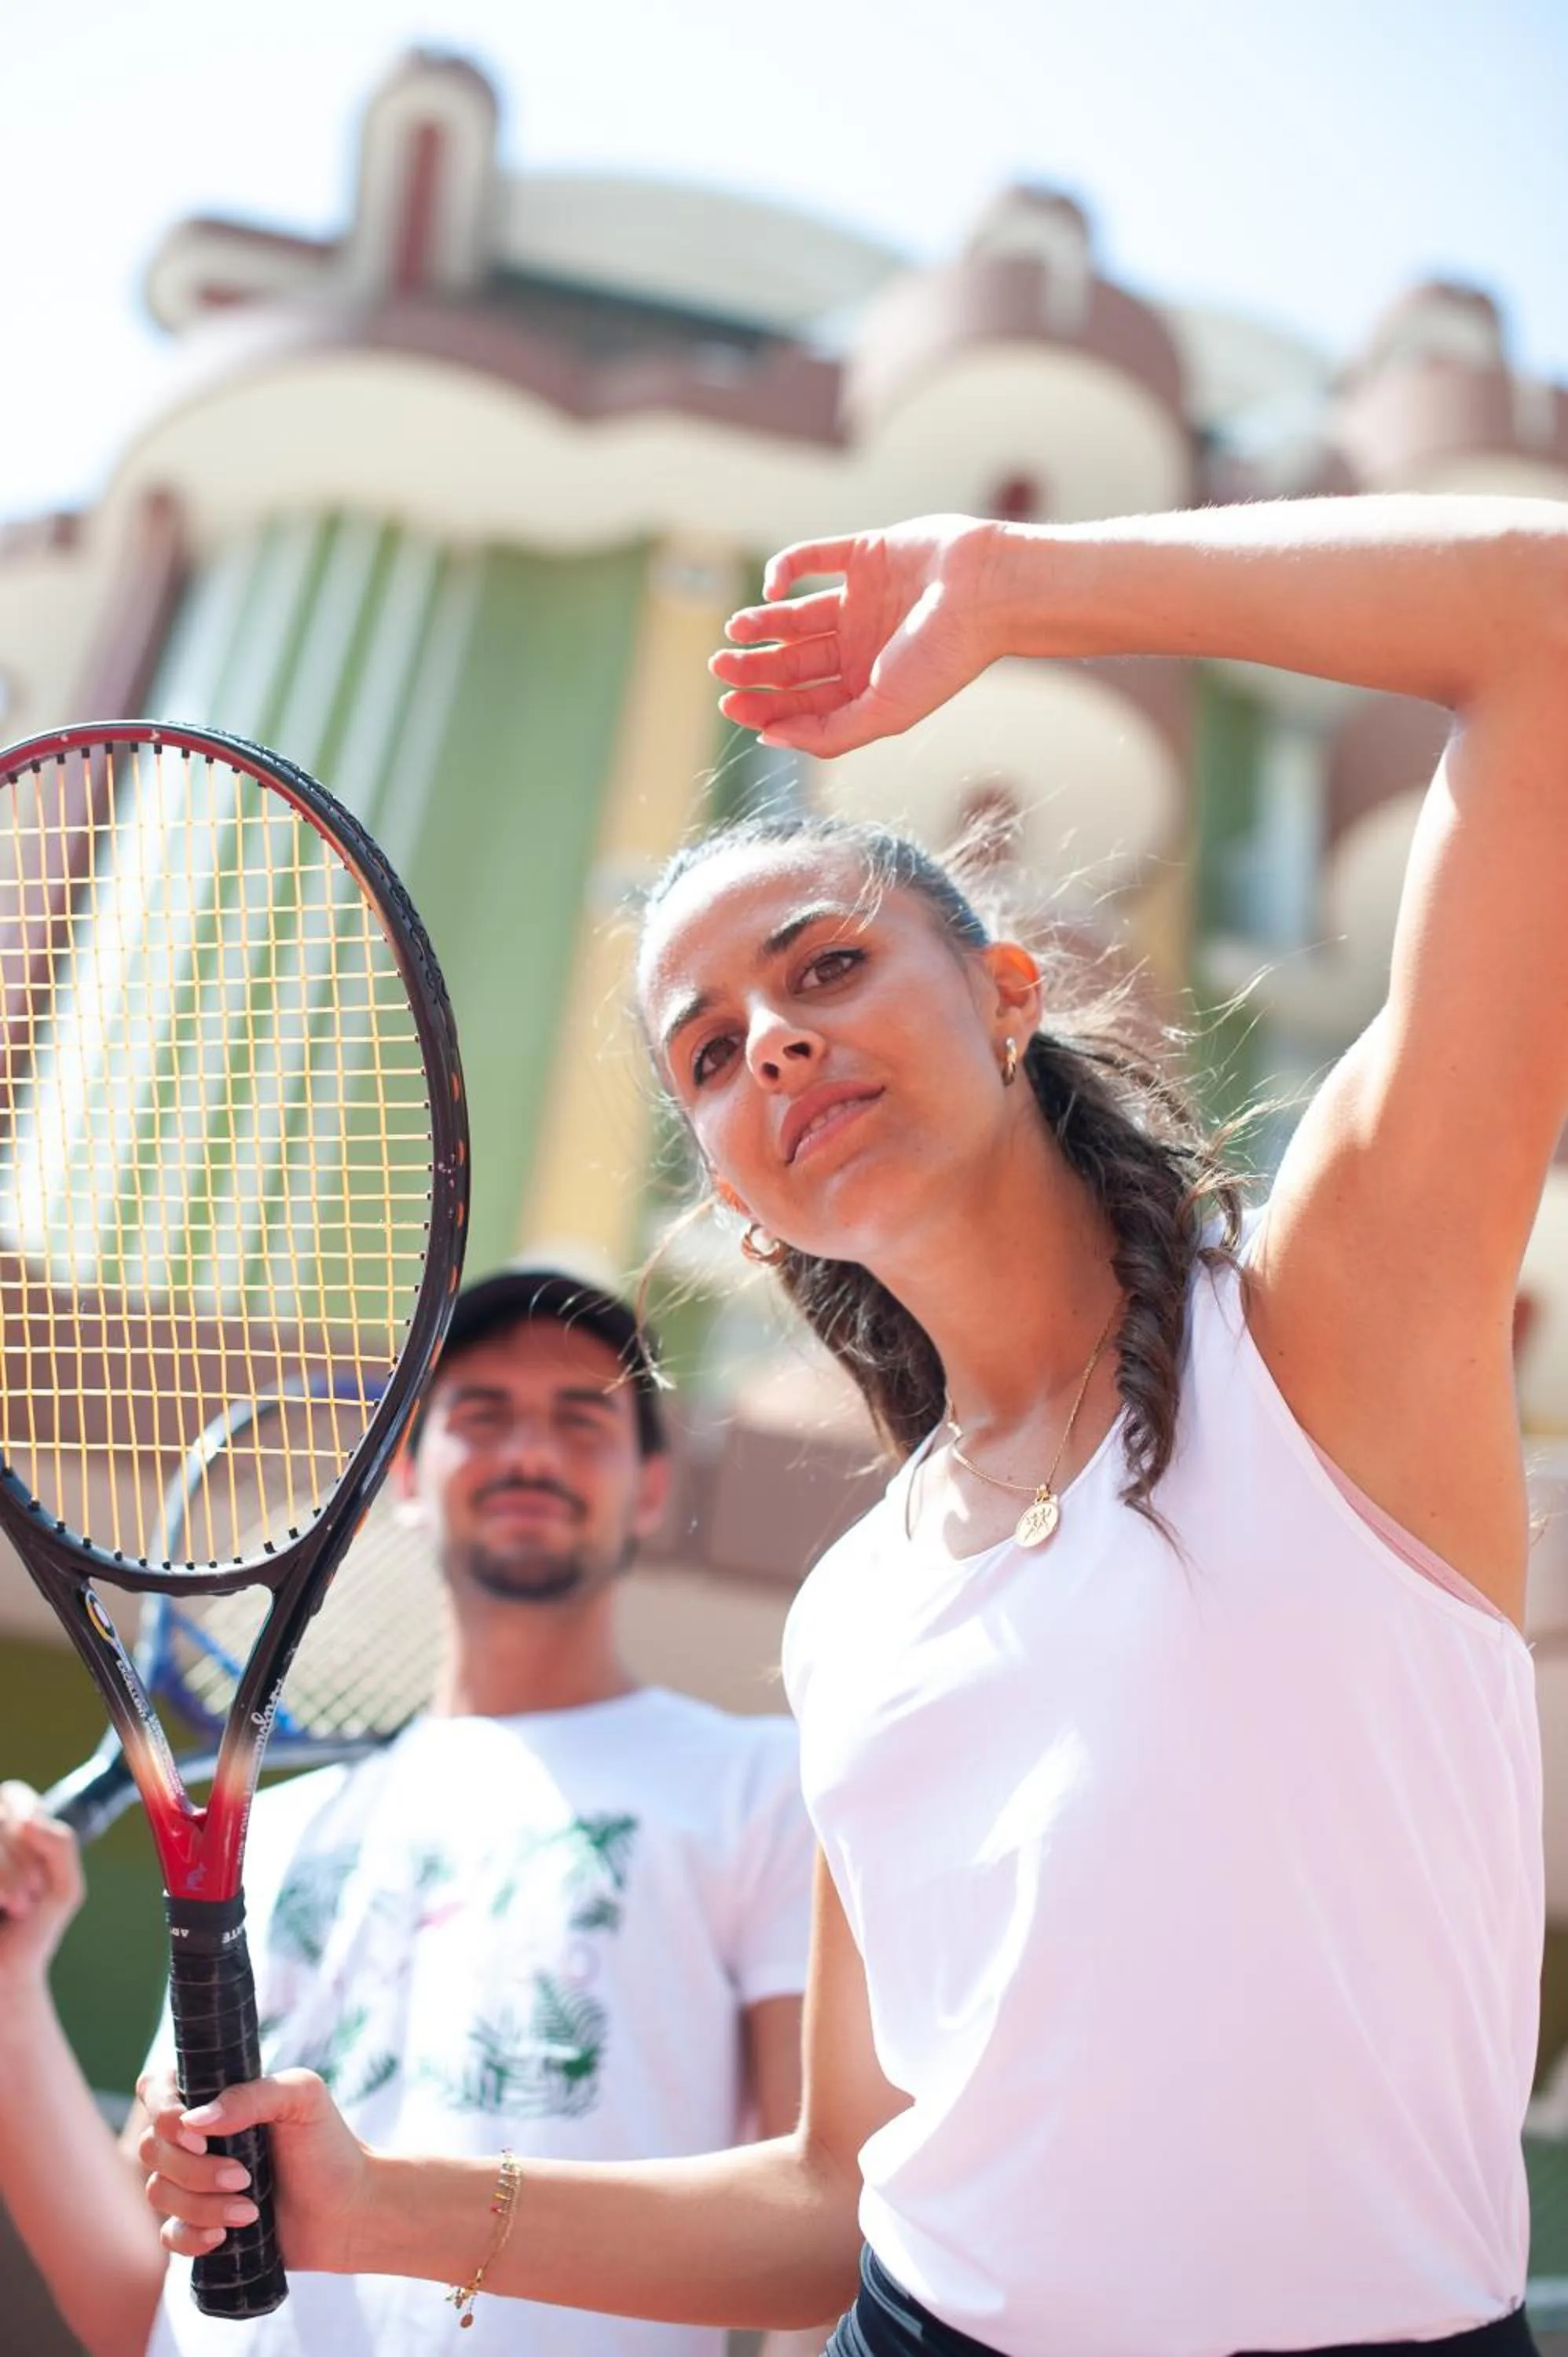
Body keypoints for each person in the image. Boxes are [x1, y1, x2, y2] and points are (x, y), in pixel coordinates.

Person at [137, 497, 1567, 2355]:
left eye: (822, 969)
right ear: (738, 1198)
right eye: (711, 1053)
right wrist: (370, 2204)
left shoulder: (1322, 1320)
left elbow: (1539, 621)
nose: (775, 1046)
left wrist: (1023, 584)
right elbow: (833, 2194)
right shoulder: (852, 1617)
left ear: (1003, 993)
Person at [0, 1266, 816, 2357]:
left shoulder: (765, 1788)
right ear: (407, 1480)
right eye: (480, 1417)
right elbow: (129, 2302)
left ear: (654, 1487)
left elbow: (826, 2230)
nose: (530, 1453)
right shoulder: (275, 1834)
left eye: (583, 1420)